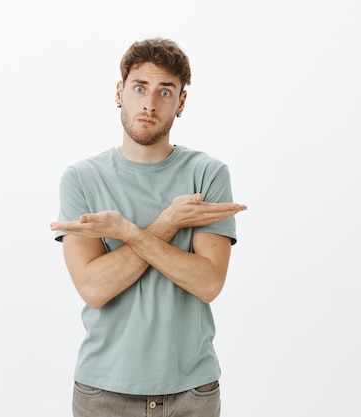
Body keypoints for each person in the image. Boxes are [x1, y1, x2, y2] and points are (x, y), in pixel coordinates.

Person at [50, 37, 247, 417]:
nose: (149, 103)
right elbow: (93, 288)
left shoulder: (207, 174)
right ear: (120, 92)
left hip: (192, 390)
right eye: (140, 88)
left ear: (181, 103)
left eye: (165, 92)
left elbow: (208, 284)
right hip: (103, 391)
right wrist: (168, 221)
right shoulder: (81, 179)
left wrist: (130, 232)